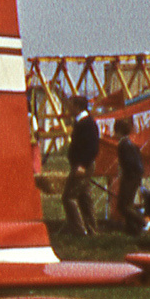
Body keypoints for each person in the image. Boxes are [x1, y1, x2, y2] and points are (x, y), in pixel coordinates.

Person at [63, 98, 100, 235]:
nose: (68, 108)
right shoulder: (81, 122)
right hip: (80, 164)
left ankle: (78, 230)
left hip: (82, 165)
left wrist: (82, 165)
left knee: (68, 197)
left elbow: (92, 147)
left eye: (70, 105)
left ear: (77, 106)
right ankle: (92, 229)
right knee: (84, 198)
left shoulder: (87, 124)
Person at [112, 118, 147, 237]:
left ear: (118, 131)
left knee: (123, 206)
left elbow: (131, 163)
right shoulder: (127, 143)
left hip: (130, 177)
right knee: (126, 204)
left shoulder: (125, 145)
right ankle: (132, 229)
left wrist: (127, 174)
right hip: (131, 176)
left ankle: (142, 222)